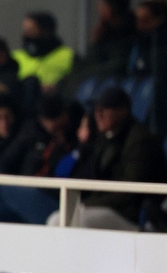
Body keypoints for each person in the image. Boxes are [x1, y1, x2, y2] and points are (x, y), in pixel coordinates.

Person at [49, 86, 167, 230]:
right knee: (56, 219)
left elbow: (130, 191)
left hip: (130, 215)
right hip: (105, 208)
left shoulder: (139, 140)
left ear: (122, 111)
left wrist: (87, 204)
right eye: (97, 109)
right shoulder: (103, 138)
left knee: (76, 221)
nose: (98, 114)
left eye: (104, 109)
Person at [0, 95, 75, 224]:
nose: (49, 123)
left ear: (64, 116)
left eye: (53, 117)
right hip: (28, 194)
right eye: (46, 118)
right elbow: (5, 163)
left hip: (52, 199)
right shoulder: (32, 133)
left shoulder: (72, 141)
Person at [127, 0, 167, 135]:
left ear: (158, 20)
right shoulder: (137, 43)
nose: (138, 25)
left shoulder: (160, 48)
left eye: (144, 20)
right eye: (137, 20)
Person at [13, 11, 74, 92]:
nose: (25, 34)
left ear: (46, 31)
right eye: (25, 30)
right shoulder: (15, 57)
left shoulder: (68, 55)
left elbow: (75, 82)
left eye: (31, 30)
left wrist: (56, 88)